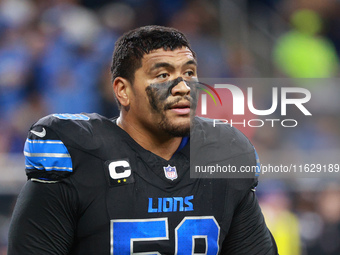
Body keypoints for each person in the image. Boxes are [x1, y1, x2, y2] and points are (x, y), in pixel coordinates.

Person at [8, 25, 278, 254]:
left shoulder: (224, 152)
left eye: (189, 73)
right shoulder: (79, 153)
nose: (183, 87)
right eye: (163, 75)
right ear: (123, 91)